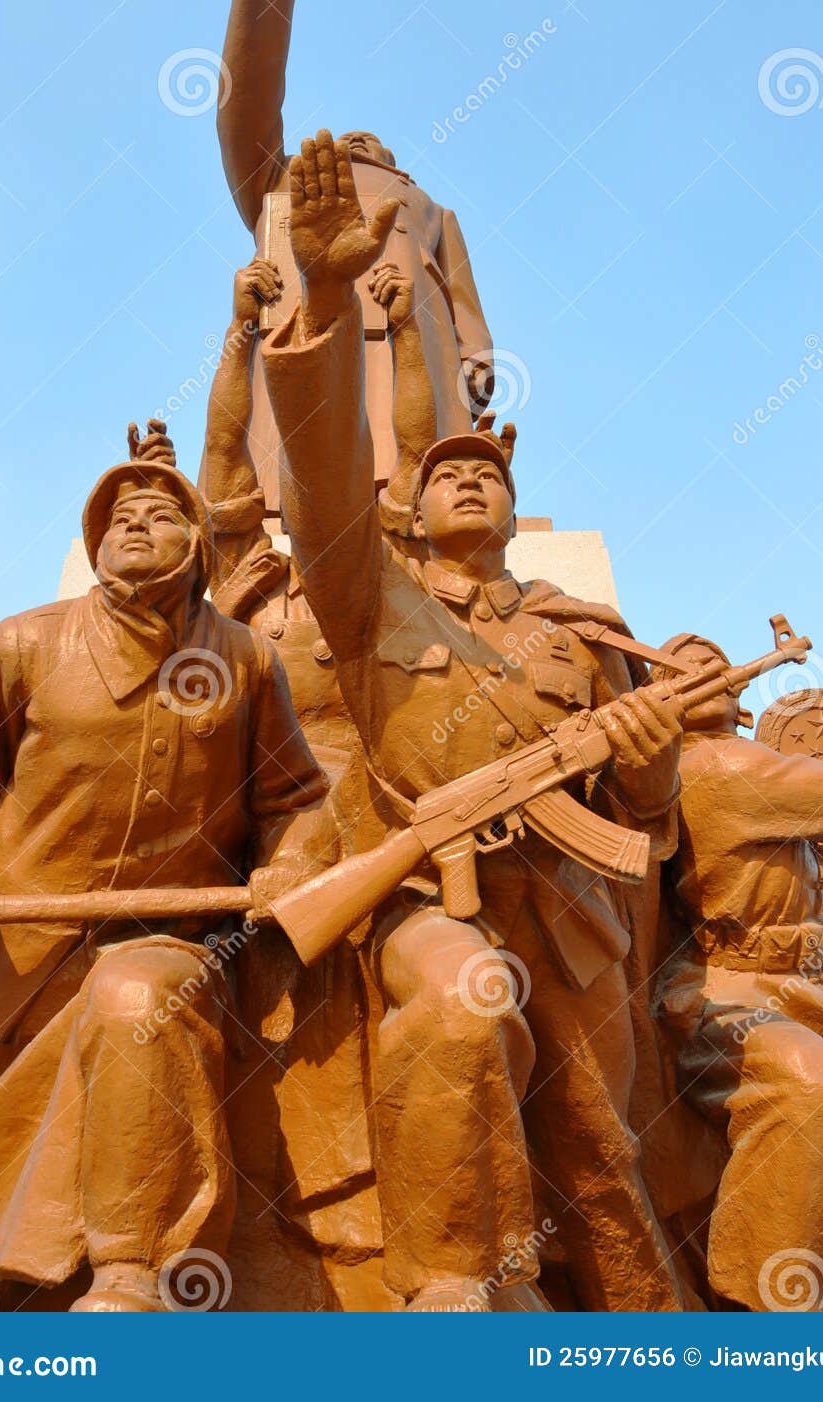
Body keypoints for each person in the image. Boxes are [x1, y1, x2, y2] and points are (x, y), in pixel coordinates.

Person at [258, 127, 687, 1311]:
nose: (464, 479)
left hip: (572, 914)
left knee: (604, 1161)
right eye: (443, 471)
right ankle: (449, 1296)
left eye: (485, 475)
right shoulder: (365, 596)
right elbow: (330, 480)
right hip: (422, 899)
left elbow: (645, 810)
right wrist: (329, 300)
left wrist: (647, 765)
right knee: (459, 1003)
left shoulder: (578, 632)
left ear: (508, 504)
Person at [0, 434, 330, 1312]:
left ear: (199, 546)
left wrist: (292, 864)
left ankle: (131, 1273)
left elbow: (296, 798)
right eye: (119, 519)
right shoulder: (24, 642)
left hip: (169, 937)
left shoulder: (243, 657)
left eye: (161, 516)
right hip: (18, 953)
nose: (135, 527)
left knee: (137, 999)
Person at [211, 0, 493, 511]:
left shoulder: (428, 207)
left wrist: (479, 355)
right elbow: (245, 119)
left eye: (371, 143)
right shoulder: (288, 185)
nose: (360, 144)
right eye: (348, 143)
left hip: (413, 342)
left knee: (425, 485)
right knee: (300, 486)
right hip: (307, 331)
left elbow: (464, 296)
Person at [655, 634, 823, 1311]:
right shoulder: (719, 768)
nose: (711, 672)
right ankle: (767, 1309)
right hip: (729, 992)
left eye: (718, 666)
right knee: (807, 1081)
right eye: (685, 668)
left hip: (796, 982)